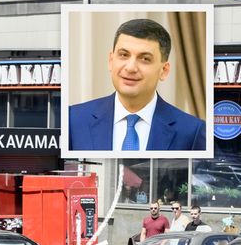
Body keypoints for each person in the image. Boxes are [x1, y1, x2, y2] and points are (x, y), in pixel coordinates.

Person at [69, 18, 205, 151]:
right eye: (123, 55)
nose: (130, 68)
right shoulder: (73, 119)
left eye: (145, 59)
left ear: (164, 70)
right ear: (111, 61)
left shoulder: (192, 131)